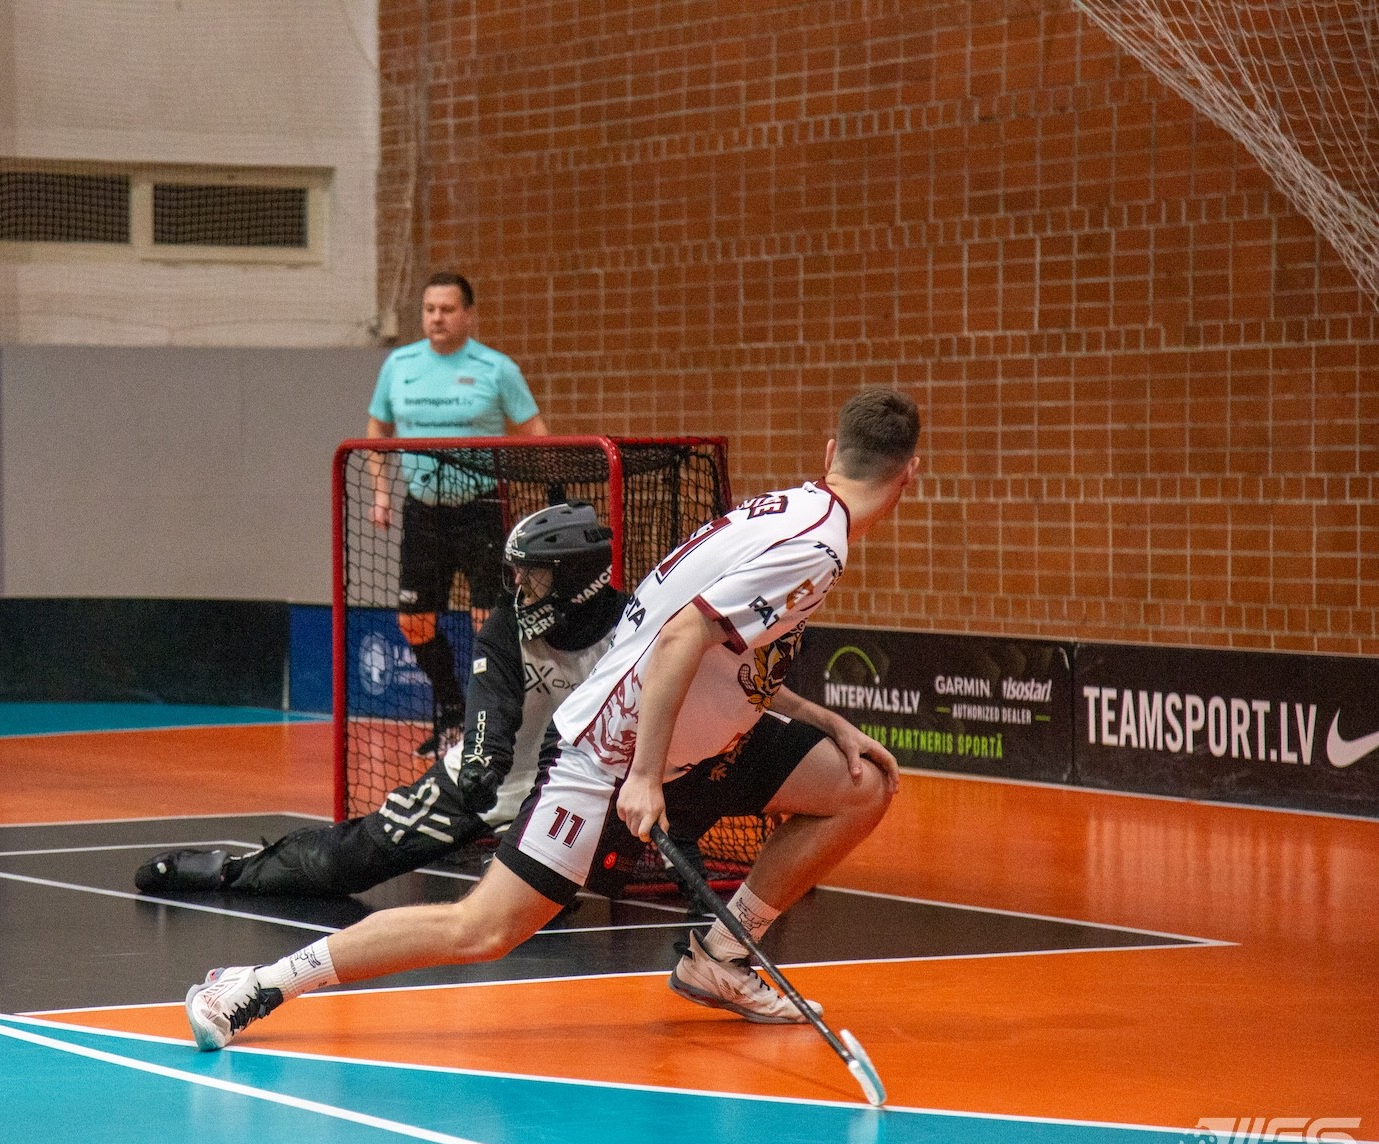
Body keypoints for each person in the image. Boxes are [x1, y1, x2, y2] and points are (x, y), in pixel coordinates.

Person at [187, 386, 921, 1050]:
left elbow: (722, 651)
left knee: (859, 785)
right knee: (482, 929)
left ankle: (723, 958)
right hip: (610, 756)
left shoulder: (793, 509)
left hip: (697, 744)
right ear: (909, 475)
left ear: (831, 451)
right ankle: (258, 984)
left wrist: (824, 720)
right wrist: (642, 775)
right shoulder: (815, 548)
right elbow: (678, 639)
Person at [136, 503, 620, 899]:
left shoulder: (631, 632)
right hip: (491, 782)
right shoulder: (505, 627)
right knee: (346, 863)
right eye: (518, 576)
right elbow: (491, 710)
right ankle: (231, 870)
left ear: (576, 582)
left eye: (534, 578)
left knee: (537, 895)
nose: (520, 591)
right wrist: (480, 765)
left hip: (575, 793)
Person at [367, 272, 550, 757]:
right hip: (422, 512)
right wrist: (381, 493)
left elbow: (536, 432)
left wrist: (542, 496)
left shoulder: (496, 368)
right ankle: (450, 711)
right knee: (414, 622)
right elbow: (377, 430)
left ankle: (485, 725)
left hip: (481, 511)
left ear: (468, 314)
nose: (437, 318)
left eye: (447, 309)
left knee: (488, 624)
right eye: (429, 309)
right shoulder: (399, 365)